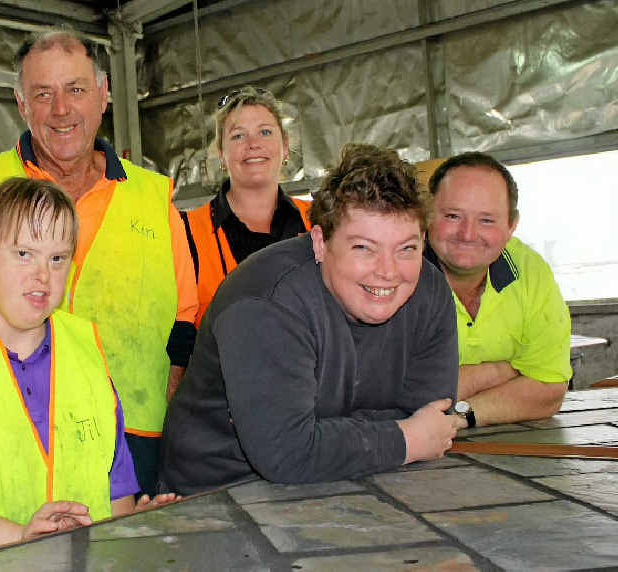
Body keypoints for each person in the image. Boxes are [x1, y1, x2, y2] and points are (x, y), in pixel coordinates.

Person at [0, 27, 197, 495]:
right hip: (7, 437)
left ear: (104, 95)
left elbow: (185, 322)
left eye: (76, 89)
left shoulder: (153, 197)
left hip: (130, 442)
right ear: (21, 103)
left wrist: (161, 410)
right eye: (43, 94)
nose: (61, 109)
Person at [0, 177, 177, 567]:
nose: (43, 275)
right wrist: (22, 540)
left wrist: (127, 529)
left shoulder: (85, 348)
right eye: (24, 253)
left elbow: (113, 483)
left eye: (57, 259)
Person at [160, 144, 464, 494]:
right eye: (363, 247)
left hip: (355, 477)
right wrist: (405, 437)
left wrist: (318, 433)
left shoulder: (429, 289)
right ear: (320, 242)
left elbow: (434, 418)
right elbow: (286, 453)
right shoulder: (265, 301)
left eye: (406, 248)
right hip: (217, 490)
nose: (388, 272)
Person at [425, 152, 570, 427]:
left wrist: (460, 417)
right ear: (427, 216)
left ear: (511, 226)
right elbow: (387, 396)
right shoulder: (393, 269)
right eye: (453, 216)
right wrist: (503, 370)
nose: (467, 234)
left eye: (487, 220)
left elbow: (549, 391)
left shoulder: (529, 271)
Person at [182, 86, 312, 326]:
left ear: (285, 146)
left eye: (265, 131)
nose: (253, 144)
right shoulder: (185, 232)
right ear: (221, 153)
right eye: (238, 135)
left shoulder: (320, 219)